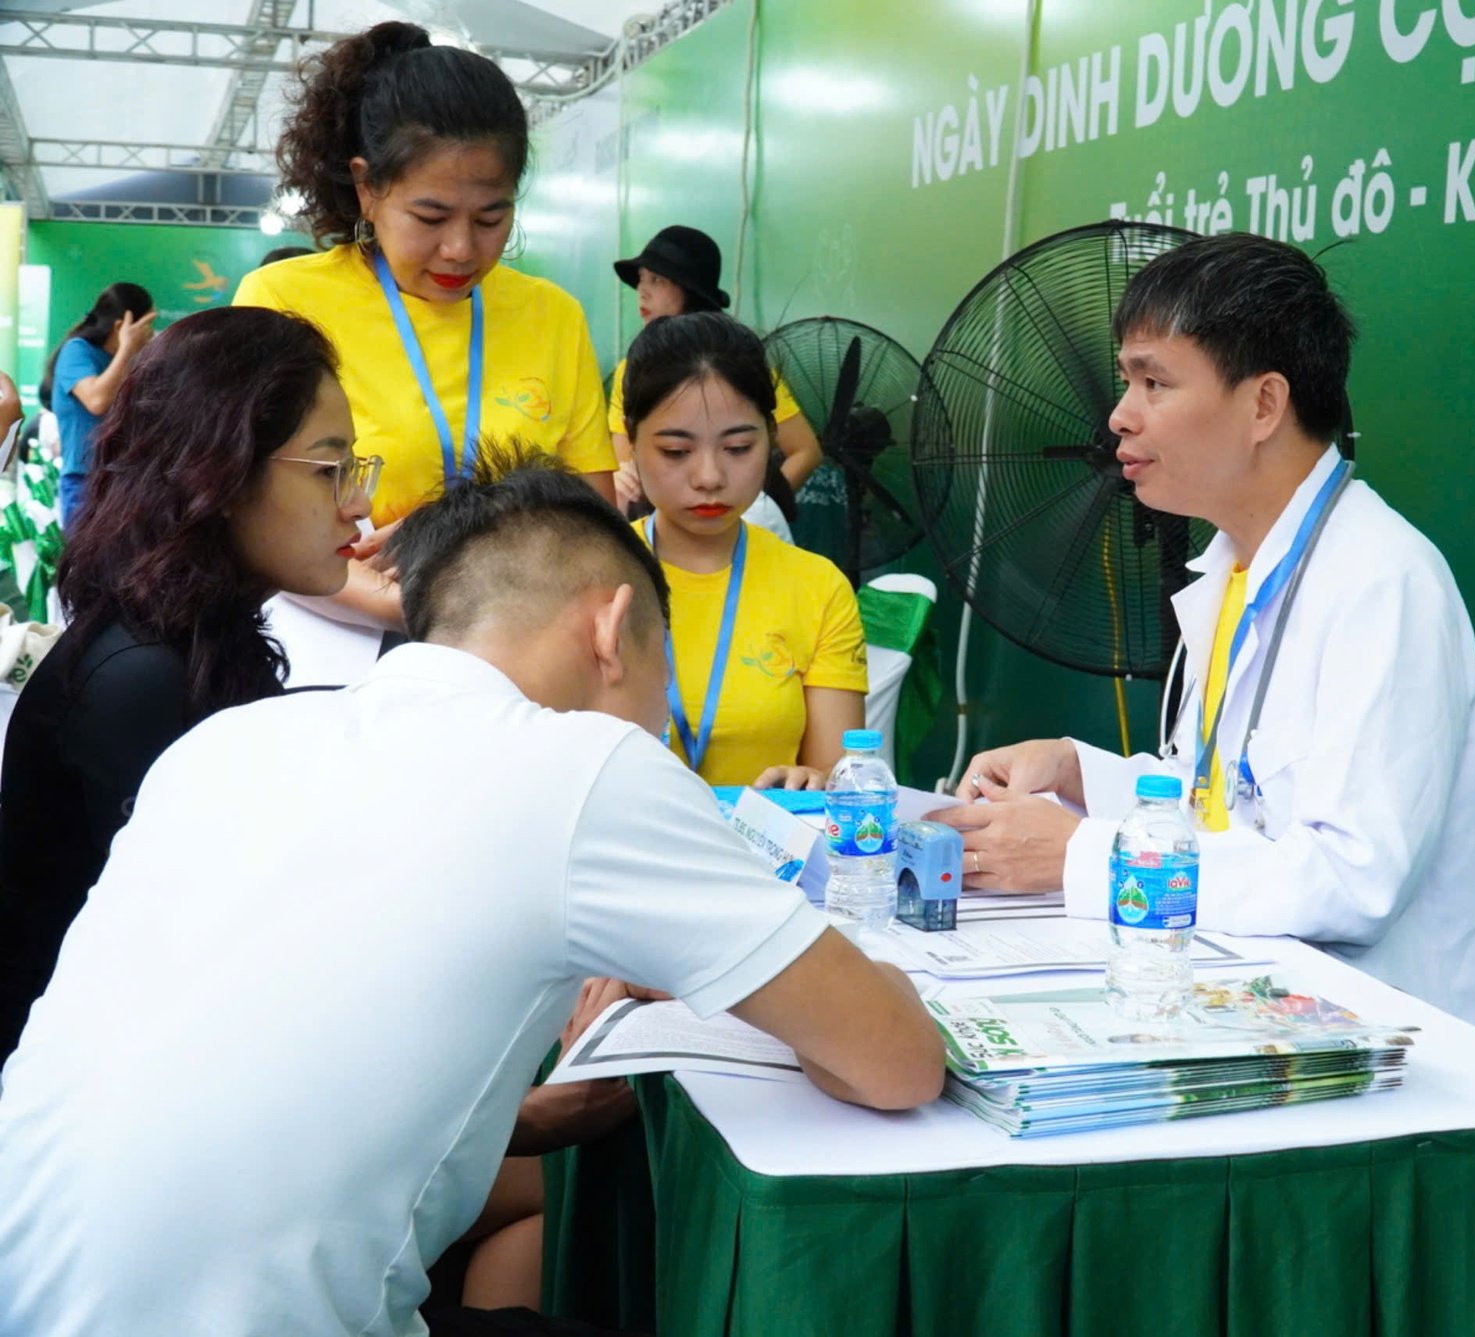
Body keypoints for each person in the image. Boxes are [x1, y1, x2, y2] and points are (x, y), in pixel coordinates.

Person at [0, 455, 943, 1336]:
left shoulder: (232, 743)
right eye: (670, 670)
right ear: (612, 631)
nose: (665, 716)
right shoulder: (582, 765)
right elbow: (897, 1064)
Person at [929, 233, 1475, 1047]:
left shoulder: (1384, 582)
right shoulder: (1232, 567)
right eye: (1125, 380)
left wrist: (1084, 857)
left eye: (1154, 380)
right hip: (1252, 1006)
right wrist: (1080, 772)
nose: (1119, 415)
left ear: (1262, 405)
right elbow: (1221, 797)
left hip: (1398, 1055)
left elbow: (1351, 880)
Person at [0, 306, 376, 1062]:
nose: (359, 504)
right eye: (330, 469)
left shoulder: (190, 639)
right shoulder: (142, 680)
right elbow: (216, 964)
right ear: (222, 473)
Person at [236, 20, 617, 629]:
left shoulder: (553, 316)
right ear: (367, 187)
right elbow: (248, 513)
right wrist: (413, 605)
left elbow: (598, 520)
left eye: (491, 219)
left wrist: (461, 529)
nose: (461, 250)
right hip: (336, 648)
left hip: (514, 641)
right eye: (431, 216)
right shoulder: (283, 301)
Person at [625, 311, 868, 788]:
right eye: (676, 452)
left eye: (738, 448)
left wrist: (812, 781)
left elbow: (838, 779)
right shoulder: (587, 575)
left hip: (766, 853)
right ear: (631, 441)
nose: (710, 477)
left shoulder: (817, 588)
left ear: (771, 439)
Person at [607, 224, 821, 526]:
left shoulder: (737, 367)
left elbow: (805, 451)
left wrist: (758, 509)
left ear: (689, 289)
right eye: (674, 450)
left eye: (656, 279)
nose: (642, 291)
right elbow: (624, 465)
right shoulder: (630, 371)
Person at [40, 281, 155, 526]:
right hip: (85, 483)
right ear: (121, 327)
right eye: (147, 325)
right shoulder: (77, 351)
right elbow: (97, 400)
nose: (150, 333)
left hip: (121, 483)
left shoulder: (128, 362)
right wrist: (127, 349)